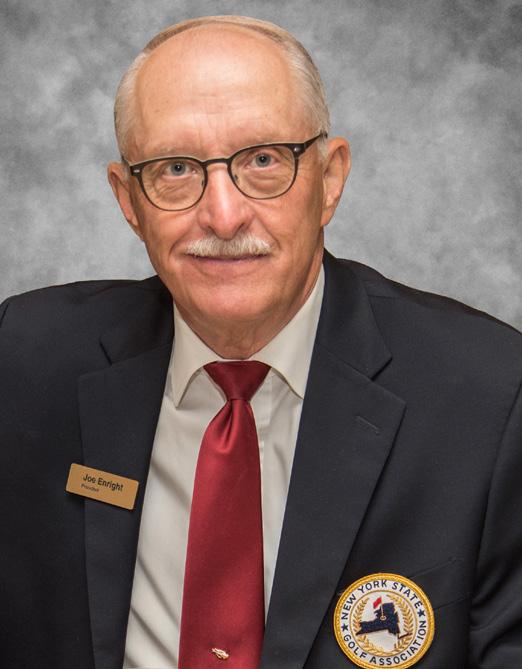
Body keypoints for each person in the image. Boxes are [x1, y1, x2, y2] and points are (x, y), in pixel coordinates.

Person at [0, 14, 521, 669]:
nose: (223, 215)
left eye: (264, 160)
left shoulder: (491, 397)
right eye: (175, 169)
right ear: (129, 201)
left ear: (330, 179)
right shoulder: (23, 359)